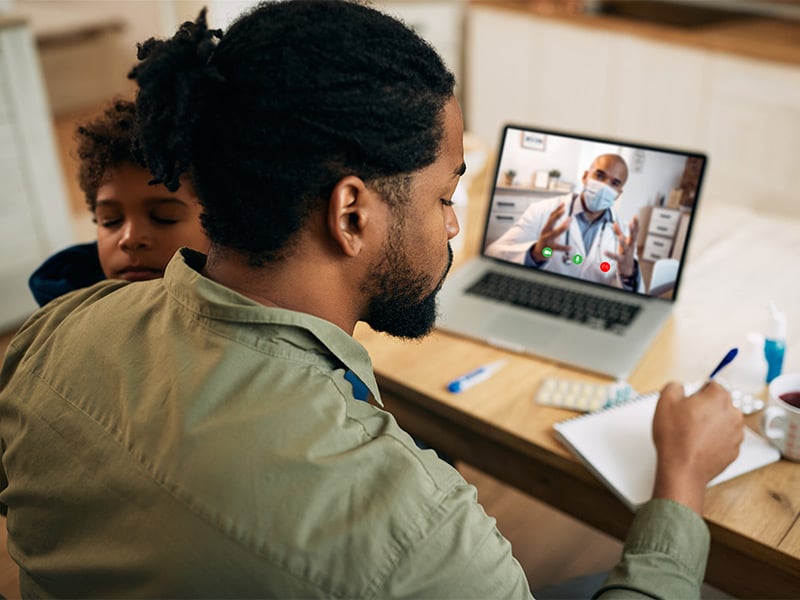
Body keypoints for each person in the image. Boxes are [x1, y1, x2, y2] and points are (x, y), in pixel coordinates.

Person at [0, 1, 743, 597]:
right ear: (352, 213)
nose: (456, 224)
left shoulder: (56, 334)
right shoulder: (419, 537)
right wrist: (677, 488)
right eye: (447, 196)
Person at [27, 99, 210, 306]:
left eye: (163, 217)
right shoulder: (61, 319)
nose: (130, 239)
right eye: (110, 220)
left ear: (221, 226)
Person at [486, 154, 644, 292]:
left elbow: (631, 295)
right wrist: (534, 254)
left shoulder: (624, 234)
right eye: (600, 176)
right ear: (585, 177)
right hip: (542, 295)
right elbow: (492, 252)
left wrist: (628, 275)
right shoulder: (543, 211)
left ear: (618, 194)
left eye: (614, 183)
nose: (604, 187)